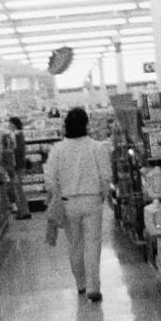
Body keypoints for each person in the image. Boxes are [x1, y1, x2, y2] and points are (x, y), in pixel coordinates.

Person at [43, 107, 112, 302]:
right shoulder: (97, 147)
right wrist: (102, 195)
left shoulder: (58, 150)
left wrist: (55, 195)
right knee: (93, 243)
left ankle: (80, 284)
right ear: (86, 124)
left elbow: (50, 179)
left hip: (67, 203)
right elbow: (106, 176)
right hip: (92, 200)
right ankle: (93, 287)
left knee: (74, 244)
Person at [7, 116, 31, 219]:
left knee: (18, 189)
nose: (8, 126)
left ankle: (23, 212)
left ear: (14, 125)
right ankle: (23, 211)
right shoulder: (17, 134)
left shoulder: (17, 135)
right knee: (18, 189)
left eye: (10, 124)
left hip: (17, 166)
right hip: (19, 165)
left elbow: (18, 151)